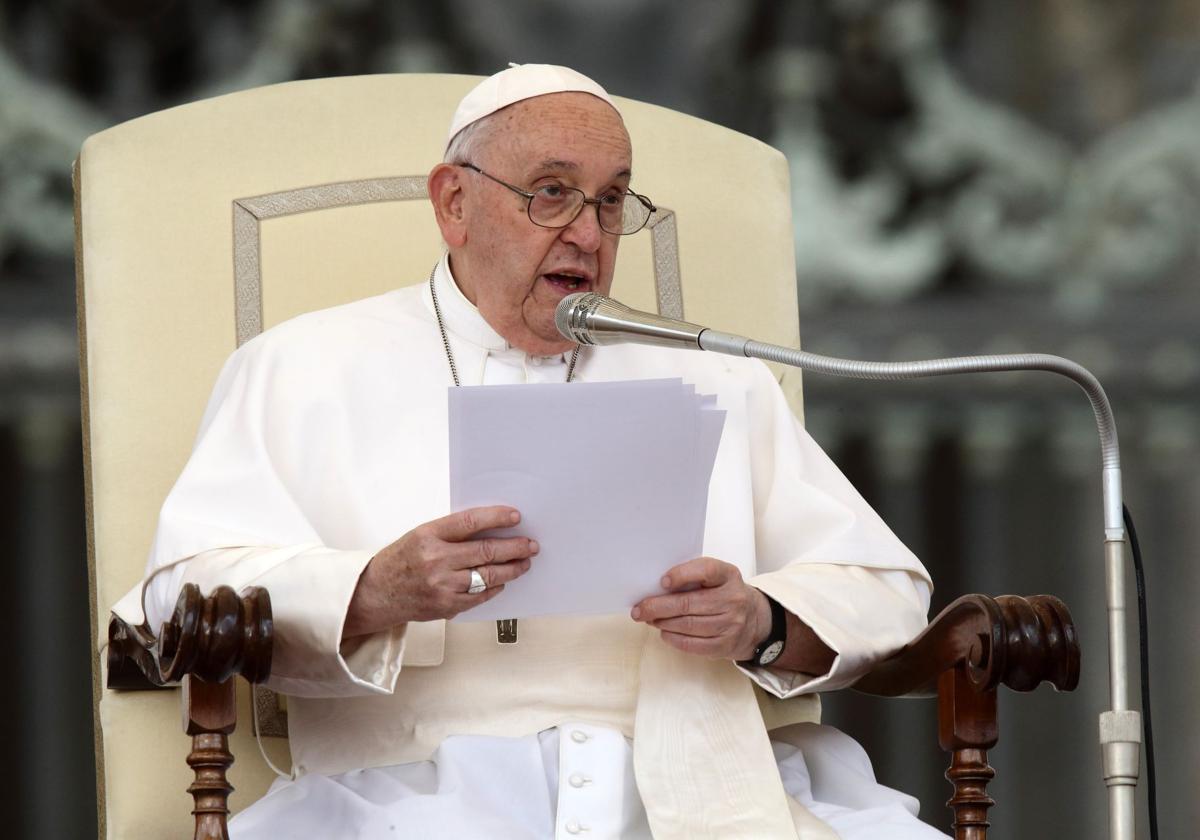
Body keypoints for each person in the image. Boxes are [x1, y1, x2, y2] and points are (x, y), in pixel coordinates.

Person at [115, 64, 948, 839]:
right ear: (454, 203)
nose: (588, 234)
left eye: (612, 201)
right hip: (405, 795)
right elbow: (176, 595)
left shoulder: (715, 375)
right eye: (552, 194)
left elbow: (885, 589)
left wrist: (761, 623)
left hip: (701, 790)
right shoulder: (302, 365)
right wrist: (373, 589)